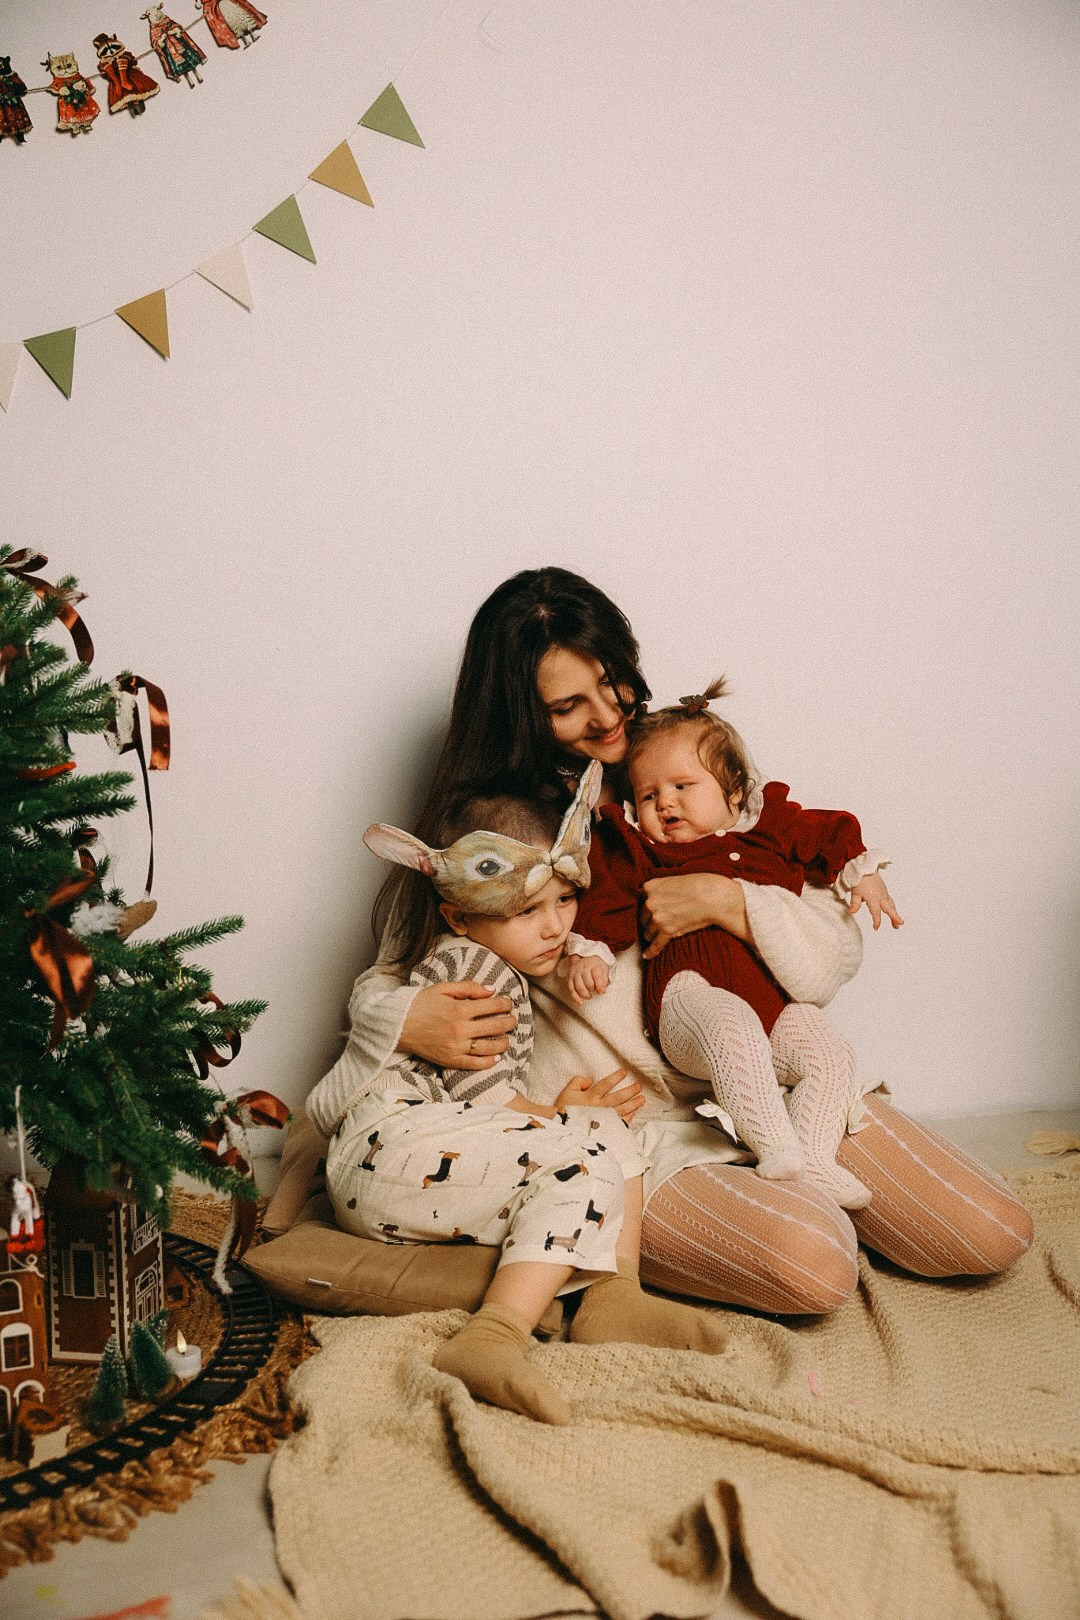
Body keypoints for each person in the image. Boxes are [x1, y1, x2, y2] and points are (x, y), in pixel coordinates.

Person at [306, 568, 1032, 1315]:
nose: (607, 715)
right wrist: (401, 1019)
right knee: (817, 1269)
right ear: (521, 714)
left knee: (992, 1232)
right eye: (567, 706)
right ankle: (573, 1227)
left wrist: (730, 902)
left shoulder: (674, 766)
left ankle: (787, 1169)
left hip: (770, 1079)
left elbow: (829, 954)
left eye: (613, 679)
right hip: (638, 1134)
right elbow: (391, 969)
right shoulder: (494, 825)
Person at [317, 772, 729, 1424]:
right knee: (579, 1155)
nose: (554, 928)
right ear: (461, 914)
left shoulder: (496, 962)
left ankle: (616, 1293)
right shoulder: (471, 967)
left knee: (604, 1135)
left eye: (565, 901)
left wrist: (565, 1113)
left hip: (430, 1139)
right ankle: (492, 1337)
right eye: (525, 911)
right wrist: (554, 1117)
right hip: (388, 1145)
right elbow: (474, 1087)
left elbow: (484, 1096)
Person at [565, 678, 902, 1211]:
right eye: (649, 796)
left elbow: (826, 833)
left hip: (772, 1005)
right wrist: (591, 951)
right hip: (686, 998)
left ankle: (813, 1155)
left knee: (828, 1051)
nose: (665, 805)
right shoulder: (642, 849)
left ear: (737, 793)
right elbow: (607, 895)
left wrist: (861, 872)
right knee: (730, 1026)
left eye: (682, 787)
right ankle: (775, 1147)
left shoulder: (768, 829)